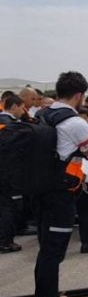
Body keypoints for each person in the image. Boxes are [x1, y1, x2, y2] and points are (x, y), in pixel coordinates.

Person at [34, 71, 88, 297]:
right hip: (60, 193)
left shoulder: (43, 114)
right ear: (79, 95)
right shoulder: (74, 122)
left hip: (40, 189)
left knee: (46, 245)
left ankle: (48, 296)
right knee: (55, 248)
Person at [0, 94, 26, 253]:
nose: (23, 111)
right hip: (8, 172)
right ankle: (6, 241)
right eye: (22, 108)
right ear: (14, 106)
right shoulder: (11, 126)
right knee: (9, 207)